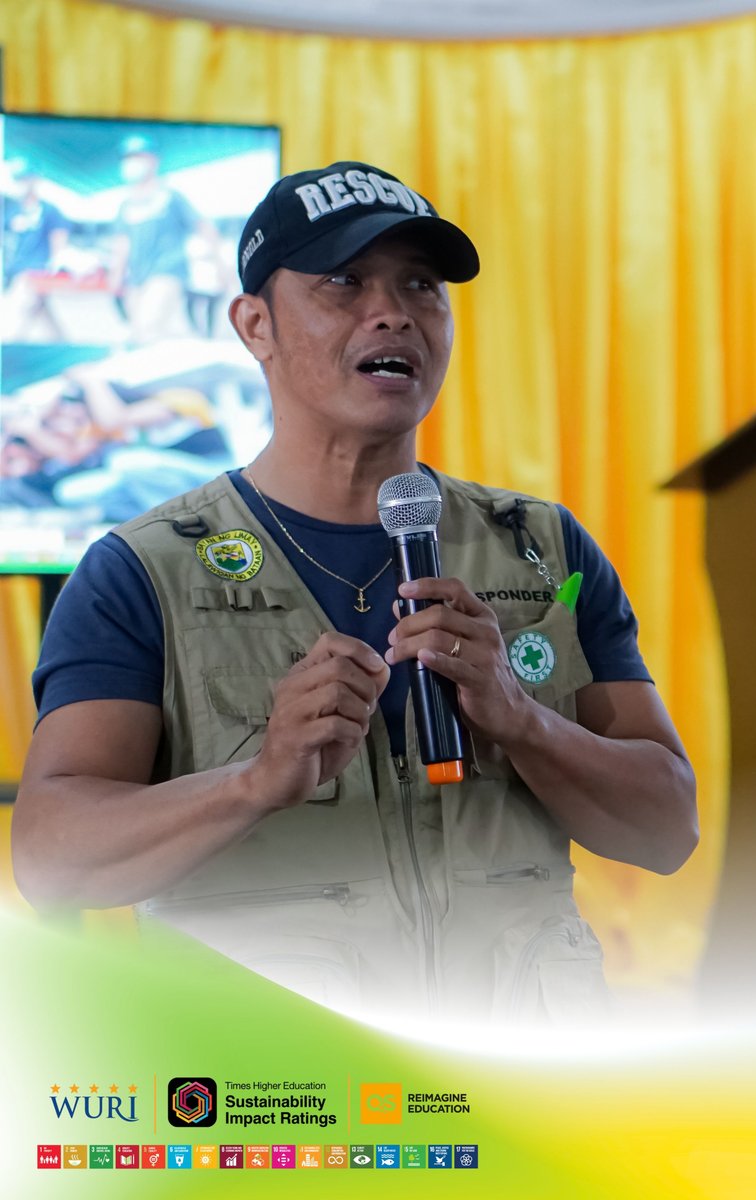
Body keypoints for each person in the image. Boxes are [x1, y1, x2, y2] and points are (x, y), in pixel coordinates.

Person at [13, 161, 699, 1023]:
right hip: (280, 1080)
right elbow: (51, 860)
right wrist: (255, 780)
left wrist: (524, 720)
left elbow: (667, 830)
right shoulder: (143, 569)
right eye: (343, 281)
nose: (394, 312)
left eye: (421, 285)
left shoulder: (542, 547)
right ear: (254, 325)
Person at [106, 136, 224, 343]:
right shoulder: (126, 205)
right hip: (137, 279)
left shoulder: (170, 197)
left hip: (167, 272)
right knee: (138, 333)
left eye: (138, 156)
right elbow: (122, 243)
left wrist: (220, 265)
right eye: (128, 158)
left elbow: (205, 228)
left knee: (149, 326)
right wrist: (116, 276)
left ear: (153, 160)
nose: (132, 163)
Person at [2, 158, 72, 341]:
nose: (22, 184)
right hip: (14, 273)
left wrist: (55, 267)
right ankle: (63, 346)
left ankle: (11, 349)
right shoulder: (10, 210)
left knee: (17, 317)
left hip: (35, 274)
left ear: (35, 179)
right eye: (18, 179)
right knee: (43, 317)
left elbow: (59, 240)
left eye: (25, 178)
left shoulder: (49, 211)